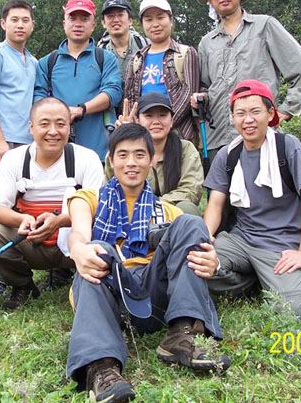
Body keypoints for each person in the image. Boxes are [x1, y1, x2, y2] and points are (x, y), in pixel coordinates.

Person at [65, 123, 229, 402]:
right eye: (123, 154)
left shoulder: (168, 210)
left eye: (140, 155)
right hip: (108, 294)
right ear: (111, 160)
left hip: (152, 300)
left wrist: (214, 262)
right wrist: (78, 248)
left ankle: (181, 334)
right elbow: (79, 232)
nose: (131, 162)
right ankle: (101, 367)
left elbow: (199, 247)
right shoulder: (88, 199)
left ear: (152, 160)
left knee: (192, 223)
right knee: (99, 248)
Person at [203, 80, 301, 318]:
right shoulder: (228, 154)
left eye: (255, 111)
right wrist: (204, 239)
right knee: (195, 265)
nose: (248, 120)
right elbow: (215, 204)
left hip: (278, 245)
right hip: (239, 240)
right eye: (240, 113)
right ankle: (252, 281)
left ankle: (279, 283)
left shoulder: (287, 146)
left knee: (296, 311)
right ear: (233, 118)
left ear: (270, 114)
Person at [0, 98, 104, 309]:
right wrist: (22, 219)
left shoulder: (87, 158)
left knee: (105, 231)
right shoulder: (14, 159)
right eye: (44, 124)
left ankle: (89, 282)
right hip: (31, 241)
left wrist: (59, 221)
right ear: (31, 128)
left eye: (60, 124)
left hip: (76, 243)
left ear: (69, 127)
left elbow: (98, 209)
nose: (53, 131)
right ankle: (22, 285)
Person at [193, 0, 301, 157]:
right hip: (218, 140)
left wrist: (285, 110)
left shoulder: (264, 26)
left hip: (260, 136)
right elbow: (205, 86)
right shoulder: (206, 43)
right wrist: (201, 98)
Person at [33, 0, 122, 160]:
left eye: (85, 19)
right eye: (72, 18)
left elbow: (113, 92)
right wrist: (59, 114)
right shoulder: (47, 62)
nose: (78, 24)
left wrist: (81, 109)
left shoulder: (105, 58)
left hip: (99, 151)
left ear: (93, 25)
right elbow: (38, 97)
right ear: (64, 23)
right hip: (57, 152)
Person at [0, 0, 38, 202]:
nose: (20, 25)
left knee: (23, 201)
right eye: (14, 20)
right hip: (0, 140)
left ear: (32, 25)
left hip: (26, 141)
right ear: (3, 23)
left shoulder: (33, 62)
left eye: (25, 20)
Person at [105, 93, 204, 215]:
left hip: (171, 212)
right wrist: (123, 140)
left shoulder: (185, 148)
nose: (156, 121)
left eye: (162, 115)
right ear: (137, 120)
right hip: (132, 212)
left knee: (187, 208)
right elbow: (110, 188)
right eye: (149, 116)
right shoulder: (125, 152)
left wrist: (154, 204)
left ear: (172, 121)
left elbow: (191, 190)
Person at [124, 0, 200, 143]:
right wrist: (140, 129)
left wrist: (162, 126)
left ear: (171, 20)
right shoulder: (136, 59)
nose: (155, 24)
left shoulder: (186, 53)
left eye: (160, 17)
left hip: (179, 136)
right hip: (144, 138)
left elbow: (188, 94)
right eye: (149, 19)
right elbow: (131, 98)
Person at [96, 0, 149, 80]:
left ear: (130, 20)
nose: (116, 20)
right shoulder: (99, 53)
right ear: (103, 23)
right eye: (110, 16)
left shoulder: (145, 45)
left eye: (120, 15)